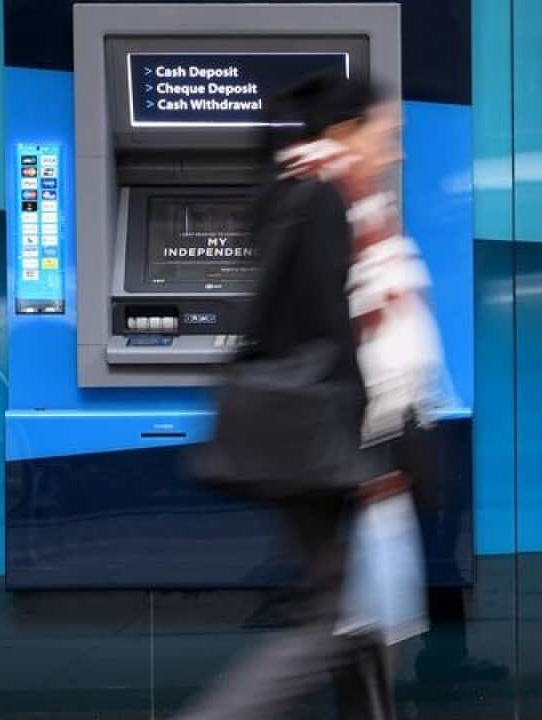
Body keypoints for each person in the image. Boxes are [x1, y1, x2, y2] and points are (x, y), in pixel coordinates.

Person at [176, 74, 419, 720]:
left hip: (304, 428)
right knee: (327, 622)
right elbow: (334, 330)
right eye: (385, 135)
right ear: (344, 132)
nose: (392, 152)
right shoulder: (327, 199)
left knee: (359, 620)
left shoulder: (291, 187)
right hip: (328, 436)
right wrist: (377, 451)